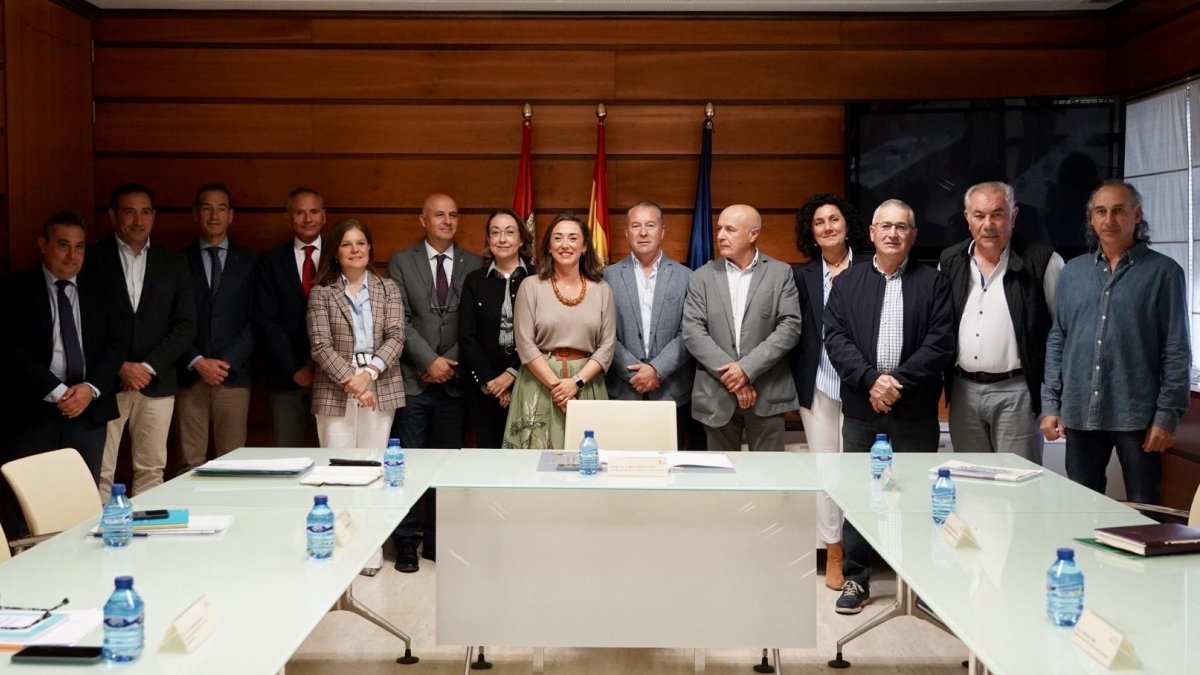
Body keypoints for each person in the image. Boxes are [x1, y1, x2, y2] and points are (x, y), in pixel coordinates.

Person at [824, 198, 955, 614]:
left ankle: (920, 584)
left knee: (916, 495)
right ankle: (858, 579)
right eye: (886, 226)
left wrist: (895, 382)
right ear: (872, 233)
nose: (893, 233)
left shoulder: (933, 282)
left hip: (913, 409)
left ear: (913, 235)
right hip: (864, 409)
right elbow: (835, 339)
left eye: (902, 227)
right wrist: (871, 380)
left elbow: (941, 342)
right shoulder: (847, 283)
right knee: (862, 494)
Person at [1041, 180, 1190, 505]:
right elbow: (1058, 340)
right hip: (1080, 411)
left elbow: (1177, 350)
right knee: (1081, 505)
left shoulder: (1164, 273)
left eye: (1119, 210)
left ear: (1137, 215)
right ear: (1091, 219)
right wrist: (1050, 404)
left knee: (1143, 508)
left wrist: (1167, 416)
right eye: (1101, 211)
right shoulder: (1073, 273)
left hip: (1137, 415)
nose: (1109, 220)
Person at [1, 210, 124, 534]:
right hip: (33, 410)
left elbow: (118, 342)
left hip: (88, 410)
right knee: (25, 505)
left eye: (80, 247)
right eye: (63, 245)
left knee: (80, 505)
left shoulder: (102, 288)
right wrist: (58, 391)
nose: (72, 256)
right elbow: (11, 348)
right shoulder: (15, 289)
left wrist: (90, 389)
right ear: (43, 245)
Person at [387, 193, 482, 572]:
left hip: (454, 385)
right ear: (422, 220)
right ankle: (407, 542)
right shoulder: (401, 261)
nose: (447, 221)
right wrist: (430, 360)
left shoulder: (473, 263)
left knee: (445, 466)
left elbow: (473, 326)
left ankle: (437, 540)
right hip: (413, 380)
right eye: (439, 215)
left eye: (453, 215)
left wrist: (448, 363)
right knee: (408, 467)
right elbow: (400, 320)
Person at [83, 184, 196, 499]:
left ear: (154, 216)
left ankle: (145, 544)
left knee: (151, 470)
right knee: (100, 471)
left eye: (145, 212)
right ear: (112, 215)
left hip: (156, 381)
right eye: (129, 211)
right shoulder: (91, 258)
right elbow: (84, 323)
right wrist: (118, 366)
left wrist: (149, 366)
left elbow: (186, 323)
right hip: (106, 382)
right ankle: (99, 539)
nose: (138, 220)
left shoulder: (172, 261)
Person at [941, 181, 1063, 463]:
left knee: (1018, 483)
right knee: (973, 483)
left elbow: (1061, 334)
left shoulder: (1043, 261)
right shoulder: (949, 261)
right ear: (967, 218)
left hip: (1017, 393)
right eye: (979, 215)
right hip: (963, 392)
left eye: (997, 214)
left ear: (1013, 215)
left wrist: (1053, 400)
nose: (988, 224)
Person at [789, 193, 869, 591]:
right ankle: (834, 552)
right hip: (818, 384)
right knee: (826, 472)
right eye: (818, 222)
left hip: (861, 386)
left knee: (857, 472)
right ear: (811, 231)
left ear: (848, 224)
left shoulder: (871, 269)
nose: (827, 227)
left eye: (833, 219)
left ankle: (861, 557)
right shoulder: (800, 276)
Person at [681, 204, 801, 453]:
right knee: (723, 483)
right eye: (719, 229)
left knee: (768, 479)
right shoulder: (701, 277)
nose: (720, 235)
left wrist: (746, 369)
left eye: (730, 229)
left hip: (767, 393)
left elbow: (790, 327)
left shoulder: (781, 273)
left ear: (753, 234)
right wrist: (734, 377)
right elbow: (693, 333)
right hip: (716, 394)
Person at [502, 212, 617, 450]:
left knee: (588, 461)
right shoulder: (530, 286)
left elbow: (607, 347)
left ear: (584, 246)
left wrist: (575, 383)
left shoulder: (602, 289)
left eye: (573, 238)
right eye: (558, 238)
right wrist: (558, 387)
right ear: (549, 246)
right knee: (532, 468)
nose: (565, 245)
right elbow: (524, 343)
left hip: (585, 385)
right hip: (539, 384)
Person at [175, 184, 257, 472]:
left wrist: (225, 362)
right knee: (188, 461)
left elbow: (255, 320)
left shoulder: (250, 262)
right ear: (196, 214)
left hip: (232, 374)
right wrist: (197, 360)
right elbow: (169, 320)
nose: (214, 215)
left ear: (231, 215)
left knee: (233, 463)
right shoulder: (176, 261)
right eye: (207, 208)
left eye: (221, 208)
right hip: (190, 374)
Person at [603, 201, 695, 450]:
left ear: (662, 231)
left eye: (650, 225)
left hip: (671, 391)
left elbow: (690, 332)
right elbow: (603, 333)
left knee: (668, 470)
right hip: (622, 389)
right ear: (626, 232)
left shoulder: (686, 277)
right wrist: (633, 372)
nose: (643, 233)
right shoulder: (606, 277)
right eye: (636, 226)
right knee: (621, 467)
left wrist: (657, 370)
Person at [306, 218, 406, 448]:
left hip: (380, 382)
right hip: (334, 388)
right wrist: (353, 382)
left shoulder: (388, 288)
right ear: (334, 252)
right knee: (337, 468)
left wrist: (367, 375)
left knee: (373, 464)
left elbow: (396, 337)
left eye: (360, 243)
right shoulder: (321, 293)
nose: (355, 250)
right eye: (346, 245)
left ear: (369, 248)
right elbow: (321, 347)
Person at [255, 187, 325, 447]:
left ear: (324, 216)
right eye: (300, 212)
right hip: (286, 376)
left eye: (314, 211)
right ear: (288, 218)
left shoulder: (340, 257)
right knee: (288, 455)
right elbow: (266, 321)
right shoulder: (270, 263)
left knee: (335, 457)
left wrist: (323, 367)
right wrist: (295, 369)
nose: (308, 219)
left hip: (333, 378)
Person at [459, 209, 533, 449]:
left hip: (530, 381)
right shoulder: (475, 280)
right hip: (485, 389)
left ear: (521, 239)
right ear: (488, 240)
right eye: (495, 233)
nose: (502, 239)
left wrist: (511, 374)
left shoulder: (538, 277)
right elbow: (467, 336)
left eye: (510, 232)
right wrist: (492, 382)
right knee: (488, 458)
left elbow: (541, 335)